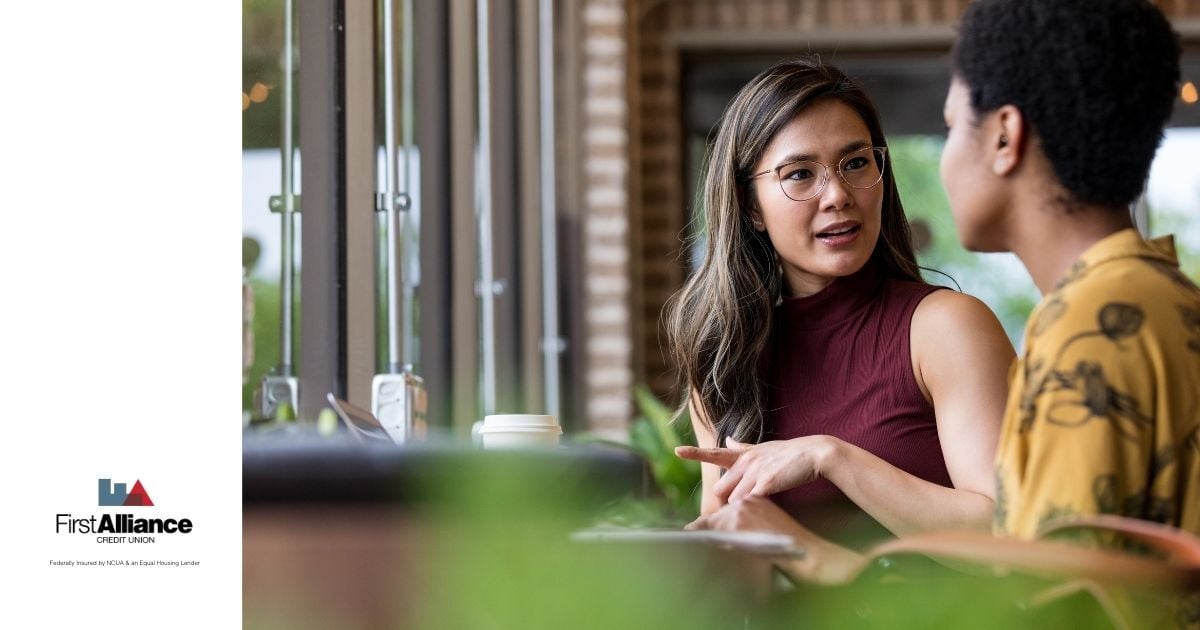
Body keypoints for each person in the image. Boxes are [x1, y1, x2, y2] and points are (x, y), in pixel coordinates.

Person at [665, 56, 1015, 583]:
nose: (838, 196)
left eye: (855, 163)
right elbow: (734, 546)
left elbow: (1009, 539)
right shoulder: (724, 361)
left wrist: (834, 458)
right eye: (800, 174)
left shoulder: (945, 328)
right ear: (751, 206)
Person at [942, 0, 1199, 540]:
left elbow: (1055, 603)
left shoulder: (1091, 327)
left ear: (1005, 137)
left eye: (952, 126)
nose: (946, 160)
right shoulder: (1166, 296)